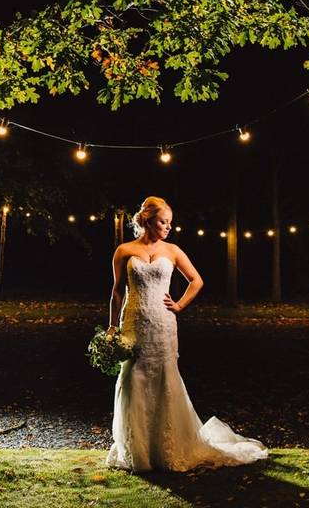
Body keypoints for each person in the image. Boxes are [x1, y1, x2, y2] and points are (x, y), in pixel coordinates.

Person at [105, 196, 267, 472]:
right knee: (133, 379)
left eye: (170, 222)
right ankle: (138, 451)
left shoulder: (173, 250)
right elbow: (117, 291)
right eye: (163, 221)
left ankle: (166, 448)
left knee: (165, 379)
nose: (168, 227)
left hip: (163, 324)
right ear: (147, 220)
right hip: (133, 323)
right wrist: (111, 327)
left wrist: (179, 305)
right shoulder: (124, 250)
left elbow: (197, 280)